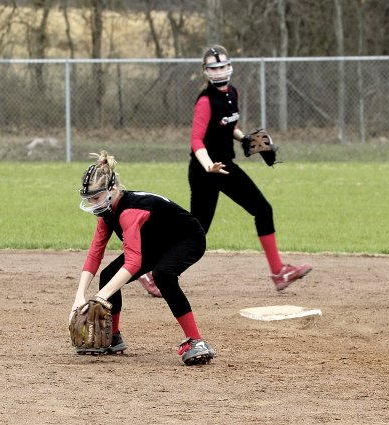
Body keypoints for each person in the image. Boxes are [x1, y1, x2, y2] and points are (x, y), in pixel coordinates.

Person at [69, 150, 215, 365]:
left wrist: (100, 297)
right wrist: (79, 296)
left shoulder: (130, 211)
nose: (93, 204)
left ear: (112, 190)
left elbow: (133, 262)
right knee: (108, 275)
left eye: (97, 197)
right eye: (90, 199)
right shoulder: (107, 213)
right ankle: (113, 338)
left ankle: (196, 341)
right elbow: (95, 253)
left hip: (187, 238)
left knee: (163, 274)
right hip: (156, 242)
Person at [188, 45, 312, 290]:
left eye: (223, 66)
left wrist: (244, 138)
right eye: (214, 67)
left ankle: (279, 272)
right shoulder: (205, 101)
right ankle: (151, 271)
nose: (219, 71)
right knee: (196, 233)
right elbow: (196, 140)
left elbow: (228, 126)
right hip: (206, 172)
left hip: (226, 167)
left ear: (230, 66)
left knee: (262, 209)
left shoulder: (232, 93)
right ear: (206, 71)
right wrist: (209, 165)